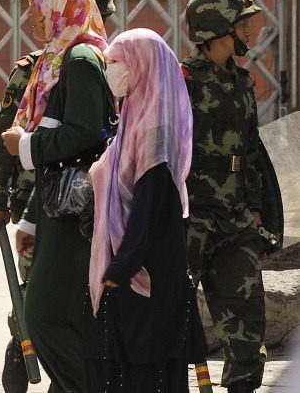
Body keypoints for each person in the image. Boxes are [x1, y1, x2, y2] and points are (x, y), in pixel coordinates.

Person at [0, 0, 116, 393]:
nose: (29, 17)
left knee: (41, 314)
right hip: (58, 205)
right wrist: (31, 218)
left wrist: (25, 146)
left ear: (60, 8)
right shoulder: (62, 57)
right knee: (64, 315)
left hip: (75, 211)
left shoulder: (78, 59)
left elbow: (83, 135)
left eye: (35, 7)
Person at [87, 28, 206, 392]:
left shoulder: (155, 128)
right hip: (136, 258)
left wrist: (124, 264)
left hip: (147, 265)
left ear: (141, 66)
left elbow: (149, 203)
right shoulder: (135, 117)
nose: (112, 71)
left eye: (117, 63)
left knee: (148, 367)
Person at [182, 0, 266, 393]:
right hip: (189, 219)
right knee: (167, 318)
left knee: (248, 323)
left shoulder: (243, 82)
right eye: (242, 24)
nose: (251, 32)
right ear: (217, 29)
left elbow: (250, 152)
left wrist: (254, 209)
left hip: (234, 220)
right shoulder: (182, 82)